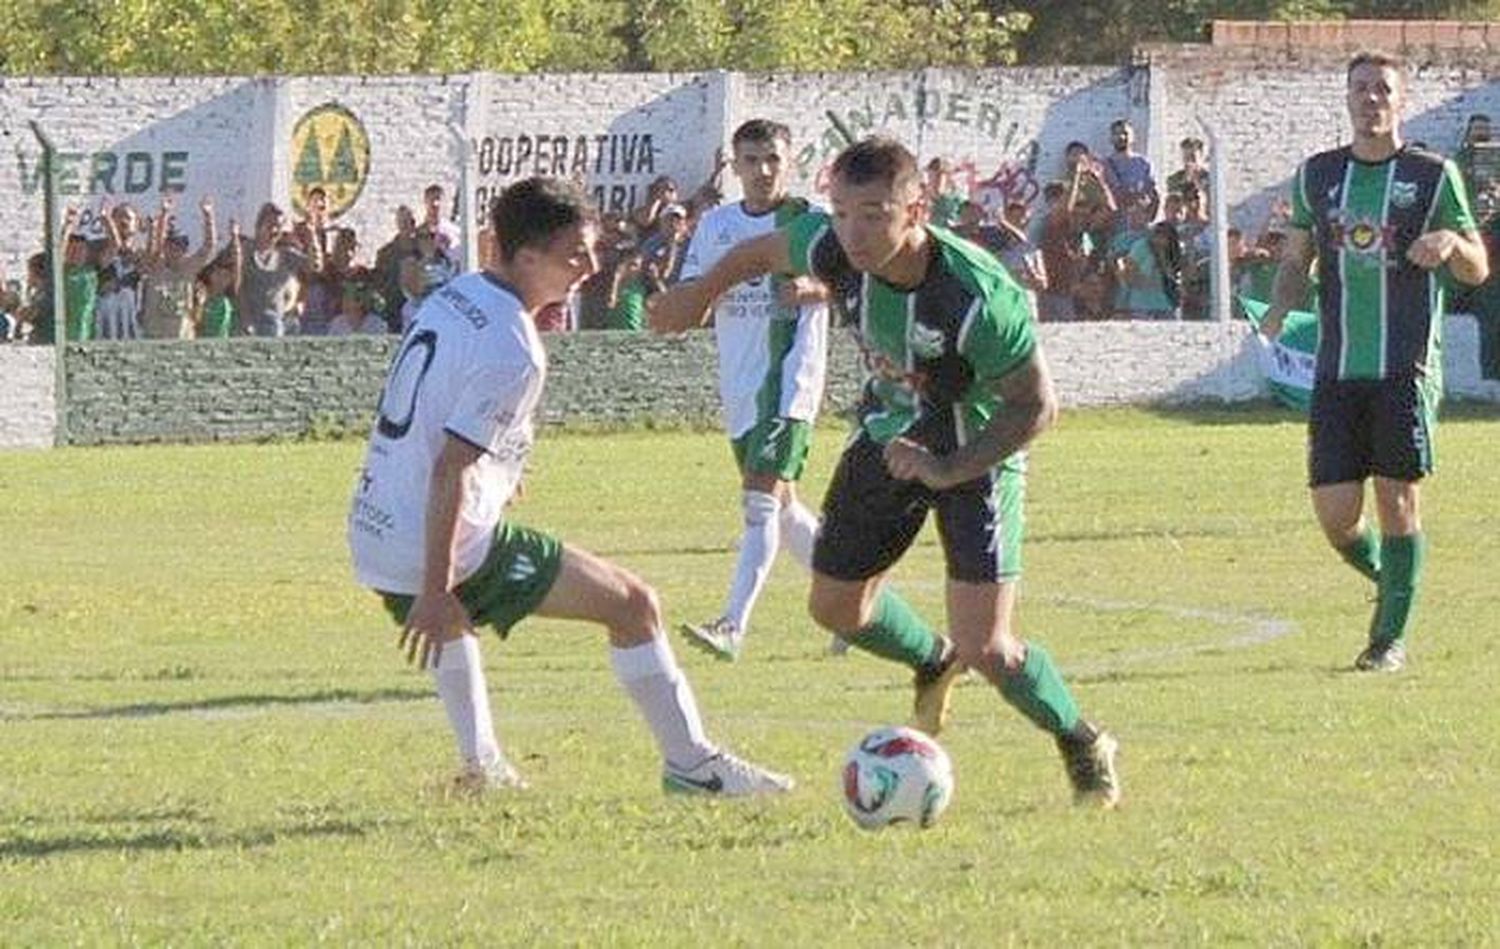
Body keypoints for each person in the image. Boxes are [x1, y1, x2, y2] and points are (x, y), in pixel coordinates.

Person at [649, 137, 1122, 808]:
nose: (854, 232)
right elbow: (762, 251)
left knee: (987, 645)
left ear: (916, 210)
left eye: (873, 213)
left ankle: (1082, 739)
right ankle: (931, 660)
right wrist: (699, 292)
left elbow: (1036, 407)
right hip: (889, 433)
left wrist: (947, 466)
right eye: (841, 211)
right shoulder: (831, 246)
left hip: (975, 449)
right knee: (834, 606)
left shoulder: (978, 298)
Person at [347, 176, 792, 797]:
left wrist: (501, 474)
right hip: (432, 536)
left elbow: (439, 412)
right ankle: (693, 765)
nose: (590, 266)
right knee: (634, 606)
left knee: (454, 624)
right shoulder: (514, 346)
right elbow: (450, 466)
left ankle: (483, 768)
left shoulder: (459, 294)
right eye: (574, 254)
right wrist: (432, 584)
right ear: (524, 257)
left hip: (374, 523)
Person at [1258, 51, 1489, 673]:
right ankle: (1395, 585)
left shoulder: (1433, 176)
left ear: (1400, 100)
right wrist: (1277, 314)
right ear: (1347, 98)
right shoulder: (1318, 176)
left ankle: (1387, 641)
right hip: (1336, 369)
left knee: (1397, 500)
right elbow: (1295, 260)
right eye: (1361, 89)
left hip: (1404, 366)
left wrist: (1449, 242)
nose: (1371, 99)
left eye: (1383, 89)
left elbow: (1478, 265)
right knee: (1336, 518)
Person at [654, 118, 830, 660]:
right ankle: (859, 595)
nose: (763, 170)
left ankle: (733, 626)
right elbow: (697, 295)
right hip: (741, 383)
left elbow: (853, 281)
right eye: (751, 161)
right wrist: (678, 307)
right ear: (735, 167)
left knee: (758, 501)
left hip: (789, 380)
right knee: (783, 510)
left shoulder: (812, 223)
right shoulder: (716, 227)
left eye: (772, 158)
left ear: (790, 159)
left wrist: (813, 287)